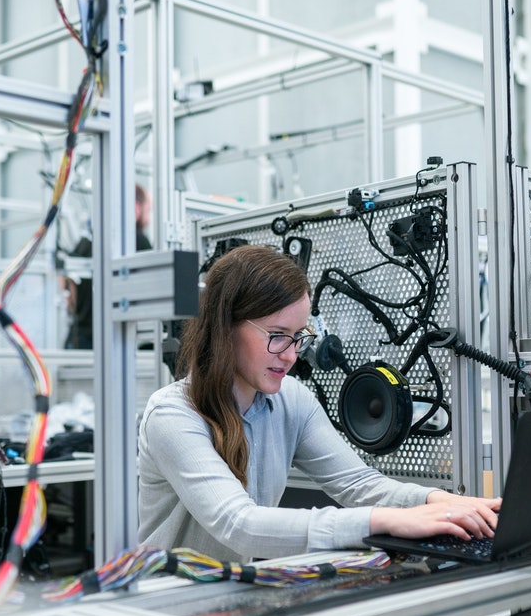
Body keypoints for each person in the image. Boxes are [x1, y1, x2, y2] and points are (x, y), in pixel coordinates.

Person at [137, 244, 502, 562]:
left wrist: (439, 502)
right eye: (278, 336)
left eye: (299, 337)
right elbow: (239, 525)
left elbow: (359, 484)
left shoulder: (291, 400)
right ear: (225, 327)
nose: (292, 355)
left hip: (230, 593)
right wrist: (384, 521)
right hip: (168, 607)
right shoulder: (173, 414)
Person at [63, 184, 153, 349]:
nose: (149, 217)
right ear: (135, 208)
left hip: (79, 340)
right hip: (115, 341)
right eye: (149, 210)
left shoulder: (86, 242)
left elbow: (68, 291)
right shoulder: (138, 241)